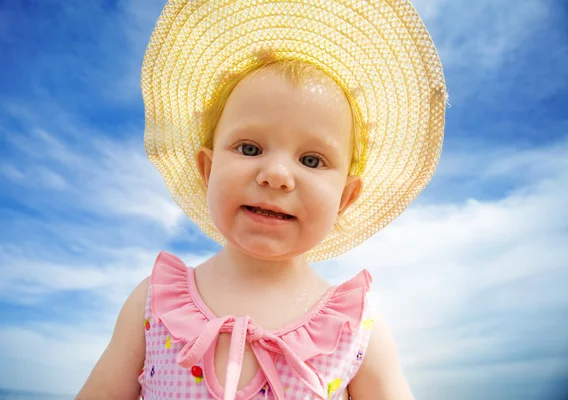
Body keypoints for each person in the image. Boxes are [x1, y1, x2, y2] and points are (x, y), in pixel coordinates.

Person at [77, 1, 447, 399]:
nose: (276, 175)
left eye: (311, 159)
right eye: (250, 148)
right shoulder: (155, 306)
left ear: (345, 196)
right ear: (207, 169)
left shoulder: (354, 327)